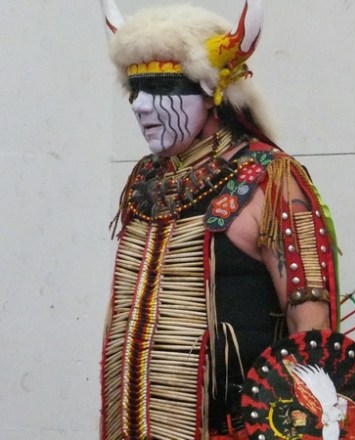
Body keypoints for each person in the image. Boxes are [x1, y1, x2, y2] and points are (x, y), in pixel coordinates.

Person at [98, 1, 340, 438]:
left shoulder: (270, 179)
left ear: (213, 94)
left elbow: (311, 328)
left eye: (162, 88)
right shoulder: (146, 180)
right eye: (135, 90)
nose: (141, 106)